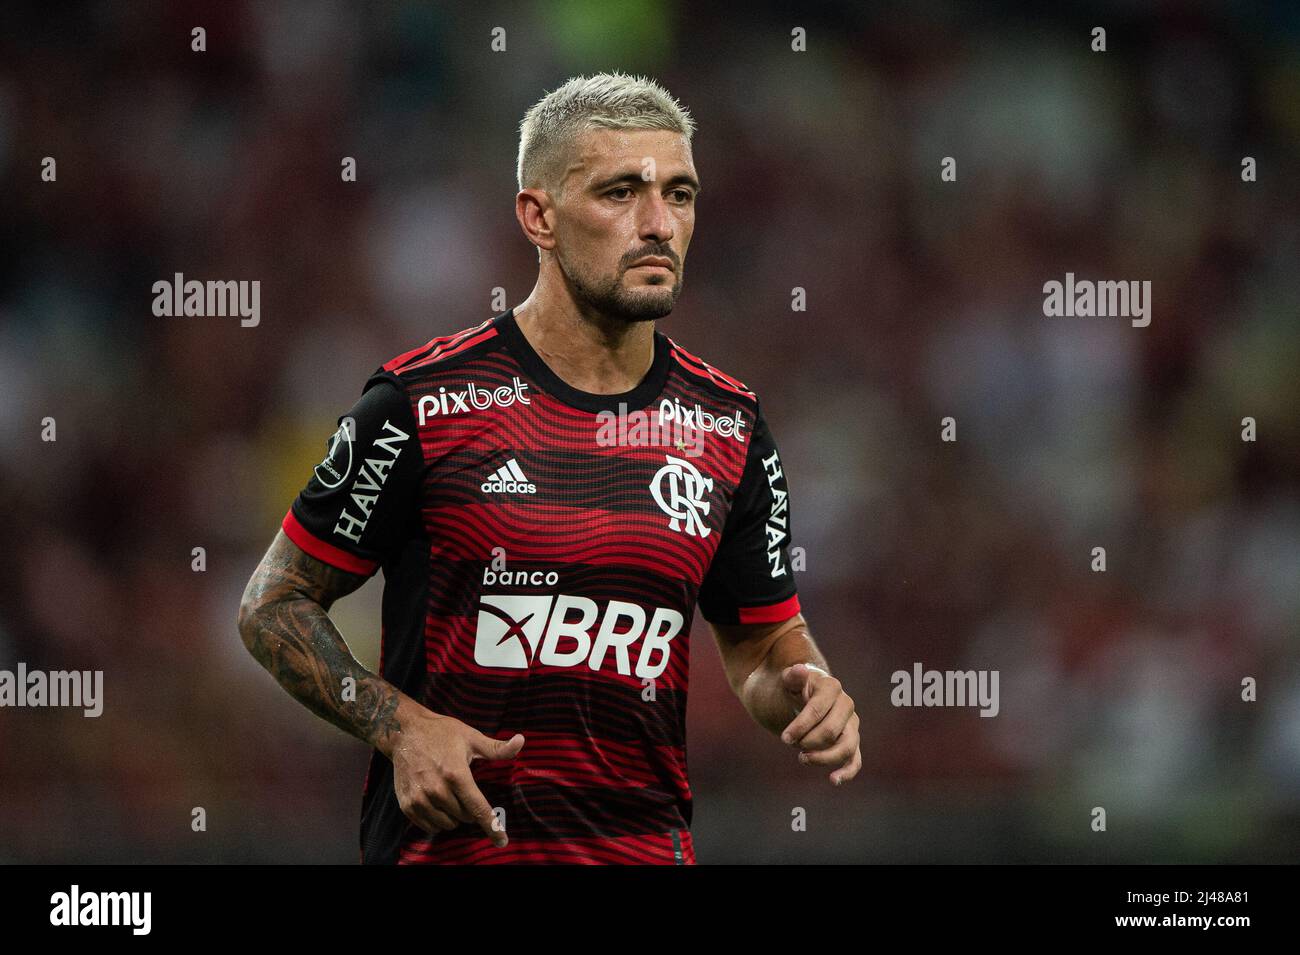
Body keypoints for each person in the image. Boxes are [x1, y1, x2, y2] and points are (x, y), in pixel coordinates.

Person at [237, 70, 860, 864]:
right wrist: (400, 725)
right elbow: (271, 604)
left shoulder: (729, 424)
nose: (659, 224)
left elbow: (764, 648)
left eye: (679, 193)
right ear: (539, 216)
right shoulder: (419, 406)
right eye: (620, 193)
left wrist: (809, 688)